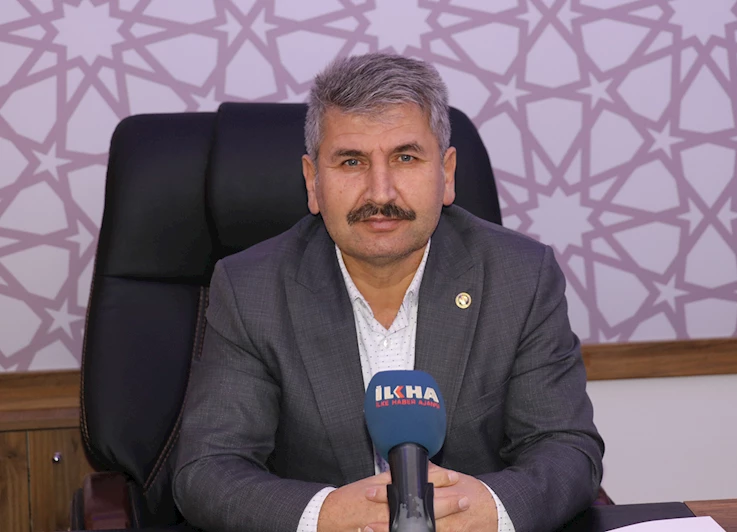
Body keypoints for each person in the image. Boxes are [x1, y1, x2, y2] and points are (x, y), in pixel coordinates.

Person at [173, 53, 604, 532]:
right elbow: (208, 470)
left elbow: (566, 448)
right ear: (313, 182)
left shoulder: (519, 277)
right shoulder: (251, 290)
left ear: (447, 174)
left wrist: (487, 508)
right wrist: (329, 515)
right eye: (351, 161)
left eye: (405, 158)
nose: (380, 193)